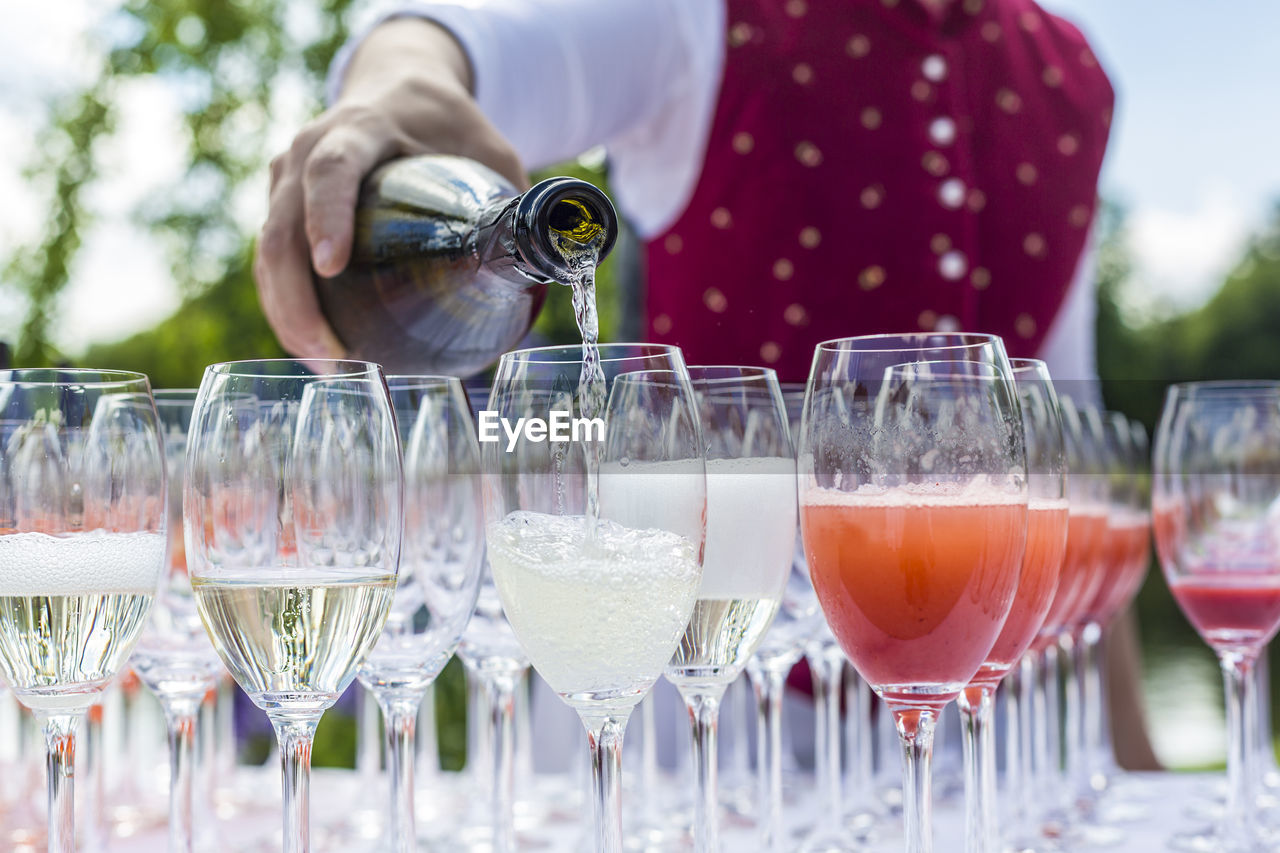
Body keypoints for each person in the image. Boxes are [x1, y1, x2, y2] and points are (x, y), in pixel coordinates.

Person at [255, 0, 1159, 769]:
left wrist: (1135, 760)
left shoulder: (1077, 78)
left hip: (984, 735)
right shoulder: (697, 15)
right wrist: (400, 82)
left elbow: (1059, 451)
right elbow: (474, 38)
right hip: (684, 714)